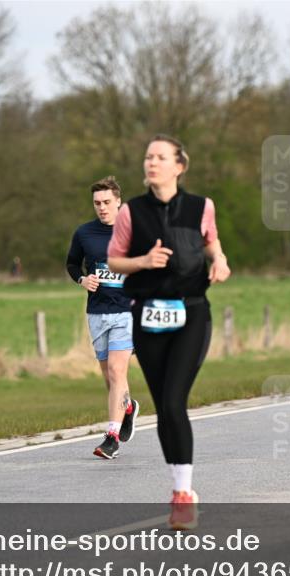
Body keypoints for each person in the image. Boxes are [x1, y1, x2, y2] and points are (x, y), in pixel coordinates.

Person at [107, 134, 230, 530]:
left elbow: (212, 243)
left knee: (175, 399)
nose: (151, 163)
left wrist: (220, 260)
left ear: (180, 165)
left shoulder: (200, 206)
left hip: (191, 312)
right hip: (147, 314)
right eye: (147, 157)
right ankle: (180, 487)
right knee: (163, 406)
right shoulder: (131, 212)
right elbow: (115, 261)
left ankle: (182, 493)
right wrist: (143, 260)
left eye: (160, 157)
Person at [66, 176, 140, 459]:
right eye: (97, 203)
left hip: (126, 312)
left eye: (107, 202)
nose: (102, 208)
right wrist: (82, 280)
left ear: (118, 201)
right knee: (110, 380)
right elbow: (72, 264)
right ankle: (128, 408)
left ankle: (111, 437)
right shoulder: (84, 234)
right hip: (97, 312)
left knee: (117, 372)